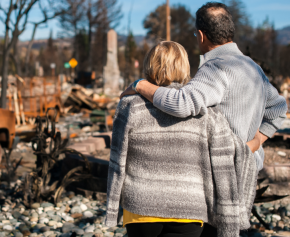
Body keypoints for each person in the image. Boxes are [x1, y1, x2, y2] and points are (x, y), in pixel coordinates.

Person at [121, 3, 288, 235]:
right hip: (247, 169)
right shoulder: (253, 68)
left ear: (201, 35)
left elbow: (181, 103)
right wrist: (254, 143)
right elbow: (279, 108)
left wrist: (140, 85)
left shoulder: (216, 69)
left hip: (220, 174)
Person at [105, 41, 258, 237]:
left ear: (148, 66)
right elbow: (223, 163)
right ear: (185, 66)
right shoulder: (206, 112)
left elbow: (117, 160)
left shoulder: (129, 105)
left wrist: (111, 208)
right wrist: (256, 142)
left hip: (140, 207)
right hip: (189, 208)